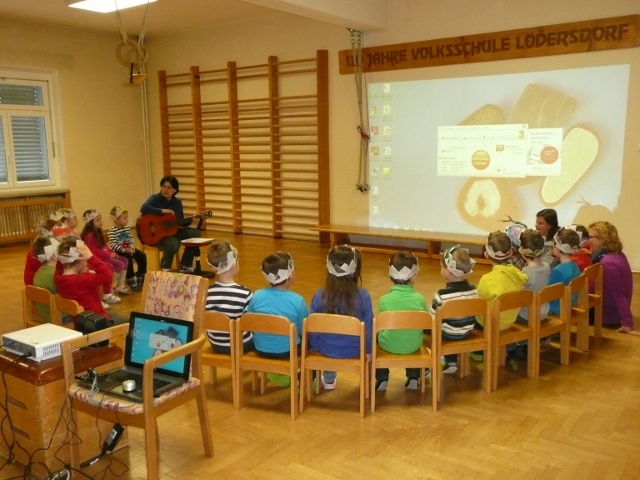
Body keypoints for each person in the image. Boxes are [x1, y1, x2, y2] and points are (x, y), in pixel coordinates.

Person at [309, 245, 373, 391]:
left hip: (325, 350)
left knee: (330, 336)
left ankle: (329, 378)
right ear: (355, 270)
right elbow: (369, 327)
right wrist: (368, 351)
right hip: (355, 350)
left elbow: (312, 327)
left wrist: (314, 348)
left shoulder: (320, 295)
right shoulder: (363, 296)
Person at [246, 252, 308, 387]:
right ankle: (306, 382)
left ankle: (274, 372)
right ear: (291, 275)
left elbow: (249, 321)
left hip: (260, 349)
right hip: (288, 351)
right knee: (310, 343)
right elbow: (304, 331)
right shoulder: (298, 301)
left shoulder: (256, 296)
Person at [374, 251, 428, 391]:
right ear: (414, 276)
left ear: (390, 274)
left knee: (376, 337)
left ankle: (382, 378)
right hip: (413, 345)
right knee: (412, 334)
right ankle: (413, 376)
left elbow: (381, 326)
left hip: (388, 345)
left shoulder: (384, 300)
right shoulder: (420, 299)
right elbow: (424, 323)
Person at [471, 231, 528, 361]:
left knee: (463, 314)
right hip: (510, 320)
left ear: (487, 254)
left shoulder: (487, 280)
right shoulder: (519, 275)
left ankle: (478, 352)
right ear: (511, 252)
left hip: (492, 324)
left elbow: (478, 306)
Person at [54, 238, 128, 329]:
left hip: (81, 323)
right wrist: (91, 257)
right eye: (86, 259)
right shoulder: (83, 279)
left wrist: (63, 252)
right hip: (97, 323)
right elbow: (108, 274)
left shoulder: (58, 278)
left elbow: (59, 267)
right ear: (80, 260)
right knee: (131, 321)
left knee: (115, 315)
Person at [429, 245, 478, 375]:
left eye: (442, 266)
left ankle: (433, 360)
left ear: (449, 271)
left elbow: (432, 319)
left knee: (428, 327)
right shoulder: (474, 290)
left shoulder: (442, 295)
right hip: (466, 332)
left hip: (448, 335)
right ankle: (451, 362)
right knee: (454, 324)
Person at [140, 176, 201, 272]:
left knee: (195, 233)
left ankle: (185, 264)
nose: (165, 189)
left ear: (175, 190)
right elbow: (143, 208)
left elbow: (179, 221)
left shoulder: (177, 202)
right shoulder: (155, 199)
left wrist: (190, 221)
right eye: (164, 186)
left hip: (172, 231)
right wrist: (163, 211)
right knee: (173, 243)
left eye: (169, 187)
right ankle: (165, 268)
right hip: (156, 235)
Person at [204, 240, 254, 354]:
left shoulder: (206, 292)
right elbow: (250, 322)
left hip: (216, 344)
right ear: (234, 264)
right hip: (241, 344)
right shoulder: (245, 293)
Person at [587, 221, 637, 336]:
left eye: (590, 237)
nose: (588, 241)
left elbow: (619, 295)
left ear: (602, 238)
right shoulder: (618, 254)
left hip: (607, 316)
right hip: (610, 311)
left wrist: (627, 323)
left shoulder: (608, 263)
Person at [81, 209, 127, 301]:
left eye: (101, 219)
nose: (101, 222)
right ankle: (107, 289)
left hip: (103, 256)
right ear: (90, 223)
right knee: (118, 264)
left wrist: (111, 252)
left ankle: (120, 285)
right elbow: (94, 251)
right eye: (97, 220)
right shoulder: (90, 235)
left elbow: (104, 246)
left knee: (124, 260)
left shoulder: (98, 232)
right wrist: (108, 255)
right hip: (98, 258)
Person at [107, 206, 147, 292]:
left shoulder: (127, 229)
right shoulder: (112, 231)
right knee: (127, 258)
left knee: (142, 255)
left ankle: (140, 273)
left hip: (129, 249)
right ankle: (130, 278)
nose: (127, 220)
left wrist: (132, 248)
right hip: (120, 251)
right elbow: (114, 245)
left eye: (127, 218)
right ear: (116, 220)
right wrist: (125, 250)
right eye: (124, 218)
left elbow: (131, 239)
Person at [547, 228, 581, 315]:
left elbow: (547, 294)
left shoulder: (558, 271)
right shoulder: (575, 266)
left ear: (557, 248)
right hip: (569, 305)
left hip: (556, 309)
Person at [31, 235, 61, 323]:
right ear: (54, 254)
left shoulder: (39, 273)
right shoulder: (55, 275)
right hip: (58, 316)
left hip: (45, 316)